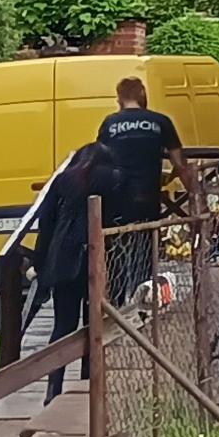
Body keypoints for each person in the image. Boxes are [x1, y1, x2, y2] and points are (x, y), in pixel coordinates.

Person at [89, 75, 190, 306]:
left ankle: (115, 306)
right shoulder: (160, 121)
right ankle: (143, 306)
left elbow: (99, 159)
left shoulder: (109, 123)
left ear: (120, 99)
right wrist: (194, 194)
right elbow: (180, 163)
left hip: (114, 198)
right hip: (146, 195)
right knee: (145, 251)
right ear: (143, 96)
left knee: (114, 253)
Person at [22, 139, 101, 399]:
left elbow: (46, 223)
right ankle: (91, 381)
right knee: (96, 323)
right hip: (96, 260)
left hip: (64, 260)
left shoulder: (63, 180)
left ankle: (53, 389)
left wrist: (40, 262)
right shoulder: (111, 178)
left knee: (62, 325)